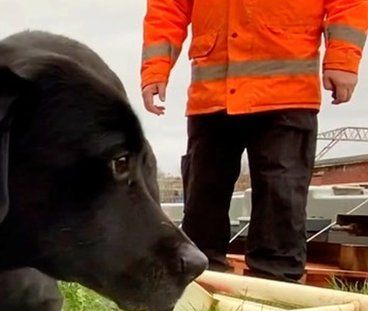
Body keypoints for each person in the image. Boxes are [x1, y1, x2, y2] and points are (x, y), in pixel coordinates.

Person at [141, 0, 368, 281]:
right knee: (204, 195)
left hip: (286, 92)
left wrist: (343, 60)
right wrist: (155, 68)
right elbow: (168, 8)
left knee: (281, 194)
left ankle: (276, 285)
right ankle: (198, 281)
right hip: (214, 95)